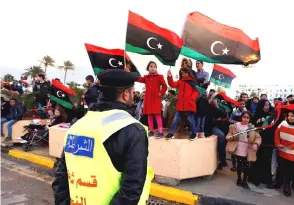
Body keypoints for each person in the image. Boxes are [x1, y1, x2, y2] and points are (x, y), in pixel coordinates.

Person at [52, 69, 153, 205]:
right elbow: (131, 190)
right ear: (125, 94)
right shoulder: (133, 130)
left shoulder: (76, 126)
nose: (133, 95)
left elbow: (60, 177)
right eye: (132, 91)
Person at [226, 111, 261, 189]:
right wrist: (228, 137)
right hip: (238, 147)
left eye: (248, 118)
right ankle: (239, 178)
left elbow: (258, 138)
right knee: (239, 165)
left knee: (247, 166)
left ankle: (245, 180)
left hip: (248, 148)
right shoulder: (235, 126)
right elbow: (229, 134)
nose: (245, 119)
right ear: (241, 117)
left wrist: (256, 144)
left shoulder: (252, 128)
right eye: (244, 117)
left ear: (250, 119)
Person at [166, 67, 199, 140]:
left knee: (191, 119)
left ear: (189, 72)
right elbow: (172, 84)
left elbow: (197, 92)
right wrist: (169, 77)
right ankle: (171, 133)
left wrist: (192, 98)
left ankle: (194, 133)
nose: (183, 74)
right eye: (182, 73)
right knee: (175, 119)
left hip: (189, 104)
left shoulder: (193, 82)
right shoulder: (180, 81)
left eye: (185, 73)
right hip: (181, 105)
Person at [137, 61, 167, 138]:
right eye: (151, 66)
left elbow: (165, 86)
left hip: (156, 99)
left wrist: (160, 93)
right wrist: (129, 73)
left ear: (156, 68)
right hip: (148, 99)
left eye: (154, 66)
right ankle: (151, 131)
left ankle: (160, 131)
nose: (153, 68)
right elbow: (138, 79)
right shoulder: (146, 77)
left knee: (157, 115)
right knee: (149, 115)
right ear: (148, 68)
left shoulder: (160, 76)